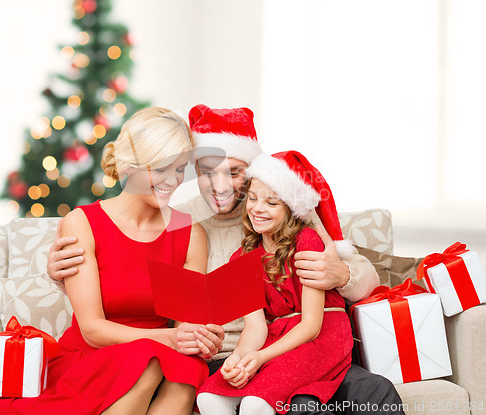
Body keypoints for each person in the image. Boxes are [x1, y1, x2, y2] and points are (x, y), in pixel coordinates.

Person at [48, 104, 404, 414]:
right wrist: (66, 277)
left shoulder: (290, 214)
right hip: (233, 356)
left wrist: (342, 274)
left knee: (374, 393)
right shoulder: (184, 222)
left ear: (253, 173)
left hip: (306, 346)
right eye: (206, 172)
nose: (220, 186)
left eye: (234, 173)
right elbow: (147, 291)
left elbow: (367, 280)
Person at [0, 107, 222, 415]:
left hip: (162, 351)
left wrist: (200, 336)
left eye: (180, 169)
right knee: (150, 362)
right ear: (128, 167)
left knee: (186, 371)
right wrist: (169, 338)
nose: (172, 181)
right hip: (95, 354)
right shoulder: (83, 223)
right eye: (160, 168)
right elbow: (93, 330)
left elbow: (185, 322)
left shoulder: (190, 233)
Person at [197, 150, 354, 415]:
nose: (258, 209)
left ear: (290, 209)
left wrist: (260, 358)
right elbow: (256, 327)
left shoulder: (307, 241)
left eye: (272, 204)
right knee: (209, 398)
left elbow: (311, 326)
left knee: (256, 403)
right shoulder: (242, 256)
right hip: (276, 337)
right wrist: (240, 358)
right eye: (254, 199)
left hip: (321, 337)